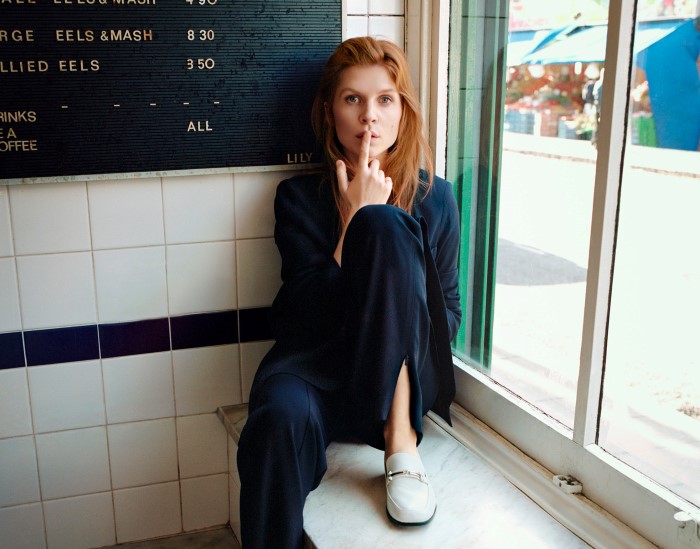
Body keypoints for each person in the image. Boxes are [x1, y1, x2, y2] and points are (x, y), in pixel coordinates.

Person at [236, 36, 461, 549]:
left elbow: (449, 315)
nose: (369, 116)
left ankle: (401, 441)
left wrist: (381, 240)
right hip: (317, 366)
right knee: (275, 422)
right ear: (329, 111)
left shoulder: (436, 198)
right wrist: (351, 221)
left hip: (400, 384)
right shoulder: (297, 197)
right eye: (352, 99)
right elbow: (299, 319)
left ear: (403, 111)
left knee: (385, 224)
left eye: (385, 99)